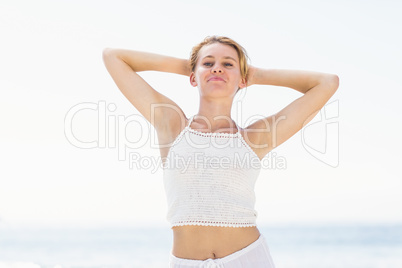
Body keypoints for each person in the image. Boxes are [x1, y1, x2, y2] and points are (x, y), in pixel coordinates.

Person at [102, 36, 339, 268]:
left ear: (242, 79)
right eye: (208, 63)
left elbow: (327, 83)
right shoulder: (171, 124)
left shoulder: (256, 137)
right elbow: (113, 57)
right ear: (193, 78)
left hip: (248, 259)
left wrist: (254, 75)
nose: (217, 69)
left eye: (228, 64)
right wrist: (190, 67)